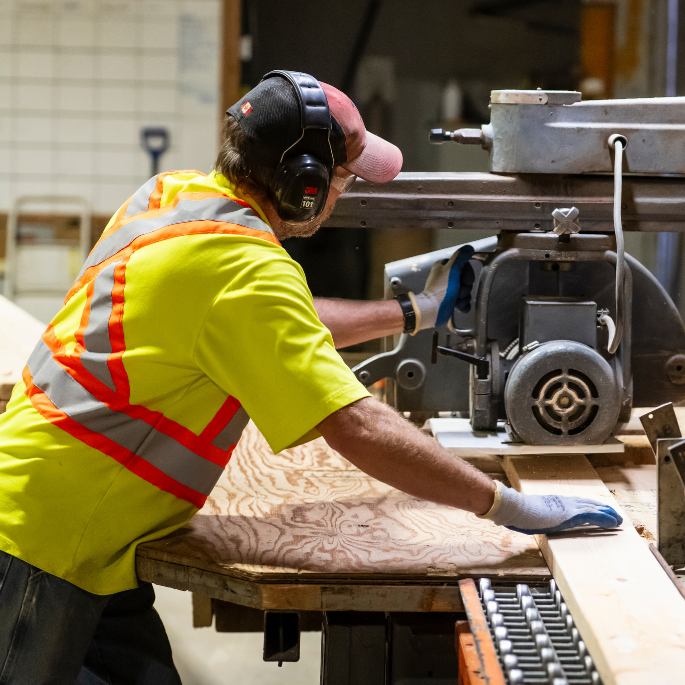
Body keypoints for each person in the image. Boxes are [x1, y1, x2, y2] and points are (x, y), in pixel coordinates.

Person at [0, 71, 621, 683]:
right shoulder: (243, 269)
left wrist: (415, 312)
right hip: (42, 545)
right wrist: (507, 505)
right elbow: (354, 423)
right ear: (305, 184)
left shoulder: (173, 197)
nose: (343, 193)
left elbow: (273, 323)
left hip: (79, 527)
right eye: (344, 178)